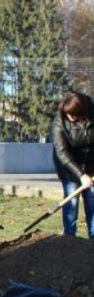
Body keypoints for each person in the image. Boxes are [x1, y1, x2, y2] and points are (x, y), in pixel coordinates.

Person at [52, 91, 94, 238]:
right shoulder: (59, 121)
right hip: (69, 169)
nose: (70, 118)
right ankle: (69, 240)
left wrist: (89, 173)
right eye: (68, 114)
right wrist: (81, 175)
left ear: (82, 112)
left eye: (74, 115)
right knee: (72, 203)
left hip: (91, 167)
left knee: (92, 201)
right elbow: (62, 153)